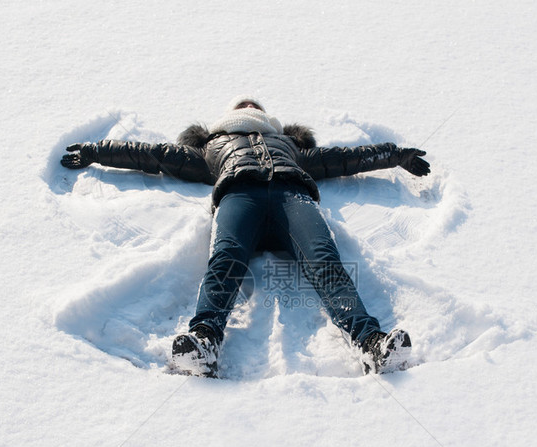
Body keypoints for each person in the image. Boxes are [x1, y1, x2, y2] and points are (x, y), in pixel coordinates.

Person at [61, 95, 430, 377]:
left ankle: (371, 344)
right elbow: (155, 155)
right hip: (239, 195)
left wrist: (396, 155)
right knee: (225, 258)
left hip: (292, 196)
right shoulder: (211, 147)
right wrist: (96, 151)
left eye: (255, 104)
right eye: (243, 104)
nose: (249, 104)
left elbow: (344, 158)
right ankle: (205, 341)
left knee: (324, 259)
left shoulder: (290, 147)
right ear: (228, 116)